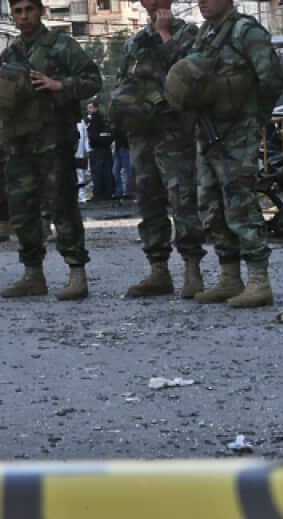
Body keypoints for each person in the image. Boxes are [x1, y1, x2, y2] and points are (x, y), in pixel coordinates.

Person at [173, 0, 283, 307]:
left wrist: (251, 120)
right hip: (208, 133)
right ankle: (229, 277)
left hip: (237, 135)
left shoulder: (245, 32)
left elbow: (272, 79)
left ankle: (259, 280)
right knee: (211, 204)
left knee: (240, 203)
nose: (202, 2)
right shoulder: (205, 34)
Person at [0, 0, 101, 301]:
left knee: (62, 206)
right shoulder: (10, 54)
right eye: (18, 10)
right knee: (22, 209)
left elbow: (93, 80)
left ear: (40, 10)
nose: (24, 16)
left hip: (54, 141)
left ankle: (76, 272)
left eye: (29, 9)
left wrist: (59, 84)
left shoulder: (62, 45)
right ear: (12, 15)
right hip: (19, 145)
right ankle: (33, 275)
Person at [111, 0, 205, 298]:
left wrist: (165, 35)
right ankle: (158, 270)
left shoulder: (189, 33)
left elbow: (191, 75)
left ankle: (192, 269)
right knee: (148, 199)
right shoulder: (135, 42)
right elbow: (124, 80)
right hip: (142, 133)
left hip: (175, 132)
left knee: (182, 198)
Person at [85, 101, 114, 201]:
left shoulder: (93, 120)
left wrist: (93, 142)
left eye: (90, 107)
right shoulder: (105, 119)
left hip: (97, 149)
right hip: (106, 149)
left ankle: (98, 194)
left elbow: (93, 136)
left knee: (97, 172)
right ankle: (108, 193)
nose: (88, 110)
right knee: (107, 171)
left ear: (95, 108)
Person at [112, 126, 132, 199]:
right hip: (120, 148)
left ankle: (126, 192)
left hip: (123, 148)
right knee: (116, 171)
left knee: (126, 171)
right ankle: (121, 192)